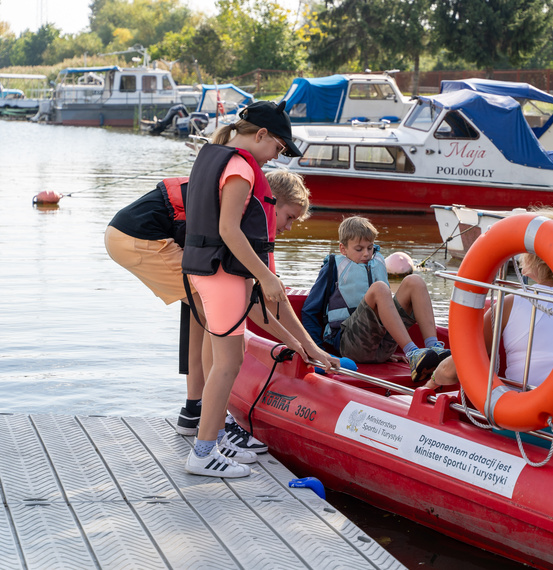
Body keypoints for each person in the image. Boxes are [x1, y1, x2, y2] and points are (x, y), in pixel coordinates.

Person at [105, 167, 324, 457]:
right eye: (290, 217)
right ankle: (215, 431)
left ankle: (196, 411)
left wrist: (304, 344)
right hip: (142, 238)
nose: (289, 227)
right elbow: (253, 304)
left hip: (127, 234)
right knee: (221, 312)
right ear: (271, 202)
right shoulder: (244, 219)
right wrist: (300, 345)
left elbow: (269, 298)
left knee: (205, 310)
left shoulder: (244, 207)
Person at [181, 100, 334, 478]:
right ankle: (203, 453)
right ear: (261, 135)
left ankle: (212, 441)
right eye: (278, 149)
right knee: (228, 363)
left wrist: (305, 345)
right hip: (223, 276)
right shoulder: (239, 169)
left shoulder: (222, 158)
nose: (276, 157)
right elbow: (229, 230)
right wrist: (265, 277)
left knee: (230, 358)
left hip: (209, 272)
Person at [427, 214, 553, 456]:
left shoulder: (509, 304)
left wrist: (432, 381)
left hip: (517, 424)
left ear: (532, 257)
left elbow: (455, 369)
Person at [301, 215, 451, 383]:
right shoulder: (333, 268)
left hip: (382, 346)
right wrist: (319, 352)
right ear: (343, 249)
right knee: (380, 288)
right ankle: (413, 353)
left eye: (370, 247)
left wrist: (388, 352)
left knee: (414, 281)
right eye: (359, 249)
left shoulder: (377, 262)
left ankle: (434, 349)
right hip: (350, 345)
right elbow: (309, 311)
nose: (366, 254)